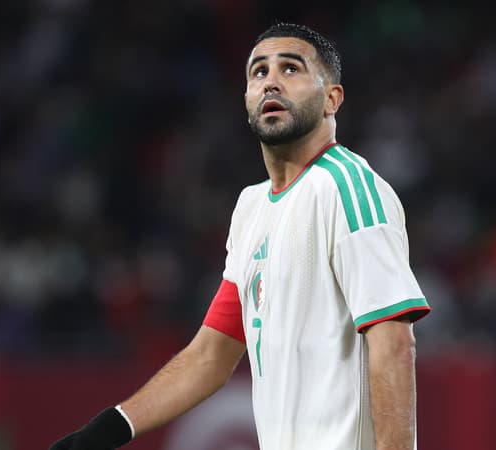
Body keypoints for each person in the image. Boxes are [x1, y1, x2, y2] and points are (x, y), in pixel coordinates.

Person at [50, 22, 430, 450]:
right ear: (247, 99)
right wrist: (104, 431)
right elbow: (211, 355)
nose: (271, 82)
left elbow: (394, 343)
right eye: (259, 72)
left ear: (332, 99)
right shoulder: (252, 207)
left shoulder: (347, 187)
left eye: (291, 69)